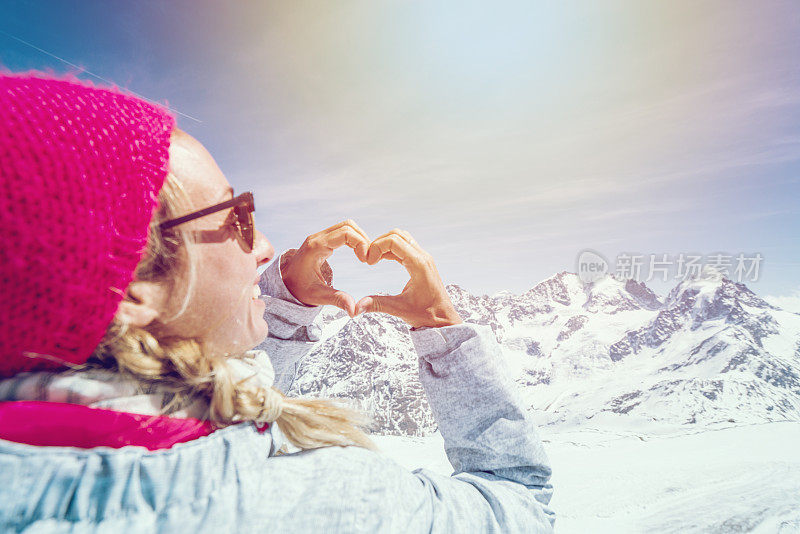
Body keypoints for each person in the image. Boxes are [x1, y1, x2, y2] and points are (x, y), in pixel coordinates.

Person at [0, 73, 555, 532]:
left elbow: (215, 386)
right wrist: (441, 327)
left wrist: (281, 309)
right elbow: (519, 506)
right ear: (132, 289)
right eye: (236, 217)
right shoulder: (339, 503)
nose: (265, 247)